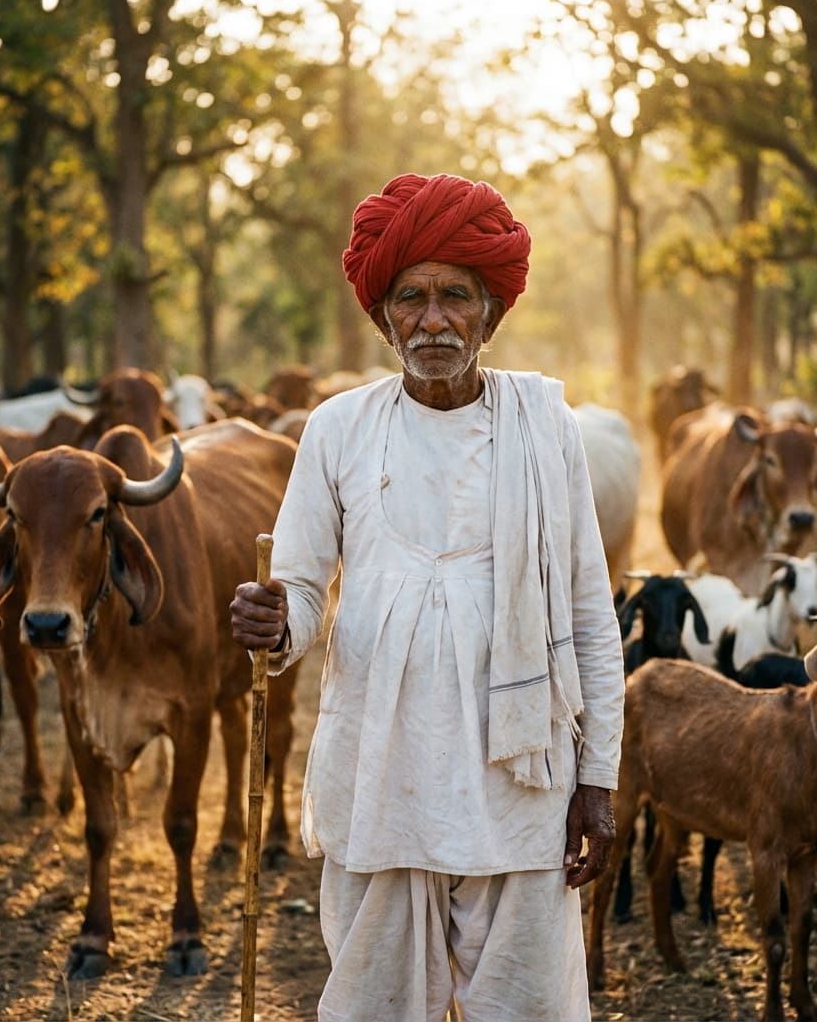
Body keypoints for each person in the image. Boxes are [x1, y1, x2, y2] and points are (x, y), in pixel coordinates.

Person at [230, 172, 626, 1022]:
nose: (434, 320)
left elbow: (592, 611)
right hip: (383, 776)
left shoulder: (545, 426)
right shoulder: (337, 428)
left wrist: (598, 778)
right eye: (411, 297)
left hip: (520, 786)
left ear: (492, 312)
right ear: (382, 316)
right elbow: (299, 590)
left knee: (529, 1010)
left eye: (456, 296)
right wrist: (273, 624)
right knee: (375, 1004)